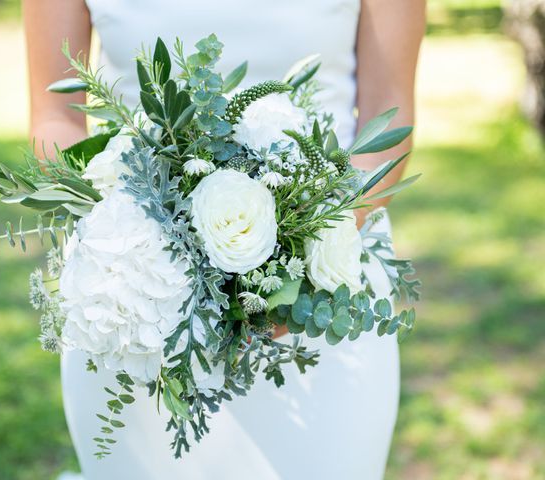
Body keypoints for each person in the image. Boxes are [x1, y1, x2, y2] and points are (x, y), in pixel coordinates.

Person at [23, 1, 425, 478]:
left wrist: (304, 242)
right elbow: (54, 119)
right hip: (135, 293)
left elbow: (388, 112)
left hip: (325, 291)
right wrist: (128, 224)